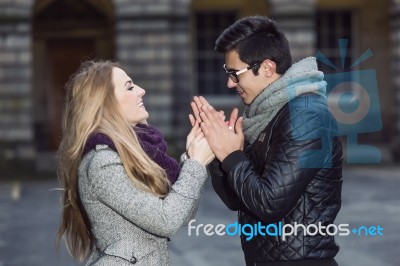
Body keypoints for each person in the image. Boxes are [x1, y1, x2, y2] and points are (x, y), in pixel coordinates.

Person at [191, 15, 343, 266]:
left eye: (234, 73)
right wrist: (218, 152)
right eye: (226, 73)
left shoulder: (305, 114)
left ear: (267, 68)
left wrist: (231, 156)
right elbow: (236, 200)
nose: (230, 83)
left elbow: (269, 204)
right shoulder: (267, 114)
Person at [56, 60, 214, 266]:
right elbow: (167, 221)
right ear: (105, 103)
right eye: (130, 87)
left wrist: (192, 157)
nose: (142, 91)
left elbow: (182, 215)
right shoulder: (102, 163)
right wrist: (196, 165)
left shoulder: (135, 152)